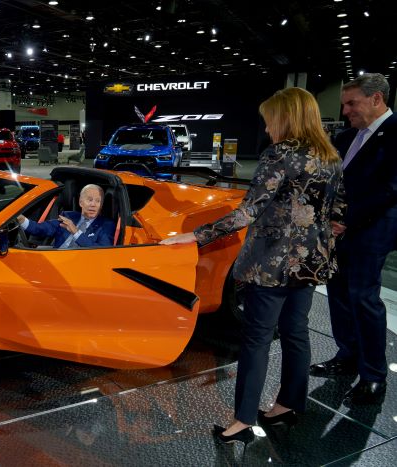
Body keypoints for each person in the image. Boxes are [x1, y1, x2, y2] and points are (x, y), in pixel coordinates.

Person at [161, 87, 344, 444]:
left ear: (285, 118)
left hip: (271, 265)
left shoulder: (279, 154)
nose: (266, 127)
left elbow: (248, 211)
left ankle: (243, 420)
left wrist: (196, 236)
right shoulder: (331, 156)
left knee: (257, 340)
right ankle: (290, 404)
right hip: (310, 263)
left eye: (269, 120)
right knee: (296, 333)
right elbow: (339, 214)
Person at [310, 73, 397, 405]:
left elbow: (390, 189)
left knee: (363, 297)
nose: (345, 110)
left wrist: (345, 220)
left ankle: (374, 375)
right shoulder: (346, 138)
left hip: (373, 229)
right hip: (338, 230)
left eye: (352, 103)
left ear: (376, 99)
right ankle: (346, 356)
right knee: (337, 293)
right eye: (344, 103)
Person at [17, 184, 115, 248]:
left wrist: (76, 231)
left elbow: (102, 252)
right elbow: (41, 229)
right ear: (81, 202)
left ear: (101, 205)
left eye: (98, 201)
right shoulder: (68, 216)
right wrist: (22, 220)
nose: (93, 204)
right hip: (57, 258)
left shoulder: (106, 225)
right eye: (89, 200)